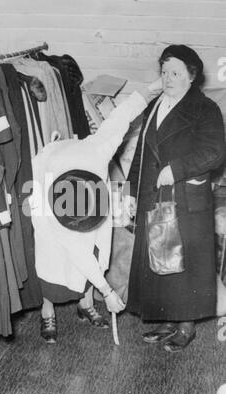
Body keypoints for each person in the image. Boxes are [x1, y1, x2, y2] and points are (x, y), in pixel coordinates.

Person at [28, 78, 163, 343]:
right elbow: (76, 249)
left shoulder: (97, 150)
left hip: (73, 173)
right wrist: (109, 292)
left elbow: (121, 116)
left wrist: (152, 87)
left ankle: (85, 304)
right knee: (52, 255)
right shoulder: (53, 206)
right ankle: (47, 310)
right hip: (47, 183)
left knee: (96, 250)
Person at [126, 44, 226, 352]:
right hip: (152, 194)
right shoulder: (156, 105)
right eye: (164, 72)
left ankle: (187, 325)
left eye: (175, 73)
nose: (168, 78)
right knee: (160, 259)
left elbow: (214, 152)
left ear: (192, 77)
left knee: (183, 263)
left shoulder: (205, 108)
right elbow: (141, 152)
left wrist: (176, 169)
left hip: (185, 196)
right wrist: (130, 192)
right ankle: (168, 319)